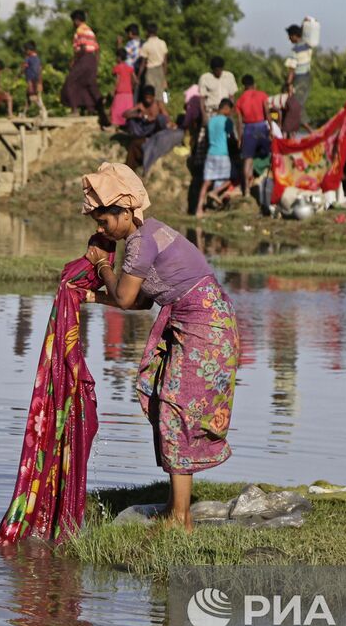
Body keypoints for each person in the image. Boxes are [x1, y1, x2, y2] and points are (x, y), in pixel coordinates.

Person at [80, 162, 240, 531]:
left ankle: (180, 518)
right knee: (172, 406)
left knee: (176, 410)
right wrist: (92, 297)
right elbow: (137, 300)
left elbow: (123, 297)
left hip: (204, 328)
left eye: (104, 222)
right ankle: (175, 507)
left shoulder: (140, 242)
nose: (101, 229)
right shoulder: (147, 235)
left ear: (124, 211)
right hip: (204, 323)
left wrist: (103, 265)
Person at [61, 9, 106, 124]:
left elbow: (82, 47)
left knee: (71, 81)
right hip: (92, 60)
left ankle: (74, 109)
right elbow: (97, 49)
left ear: (76, 20)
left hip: (83, 58)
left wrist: (74, 60)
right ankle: (93, 108)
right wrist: (95, 64)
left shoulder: (80, 31)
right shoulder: (90, 31)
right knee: (88, 83)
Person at [121, 83, 174, 171]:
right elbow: (125, 114)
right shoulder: (141, 105)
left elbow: (166, 118)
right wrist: (138, 115)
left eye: (150, 98)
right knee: (131, 121)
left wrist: (153, 118)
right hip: (144, 131)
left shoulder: (158, 104)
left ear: (153, 97)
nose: (148, 100)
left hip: (155, 130)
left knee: (160, 119)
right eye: (146, 98)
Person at [198, 98, 237, 216]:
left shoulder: (211, 121)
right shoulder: (227, 121)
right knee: (230, 178)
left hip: (210, 154)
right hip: (222, 154)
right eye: (230, 110)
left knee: (206, 183)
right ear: (226, 108)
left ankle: (198, 210)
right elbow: (231, 137)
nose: (230, 112)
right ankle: (215, 193)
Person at [236, 74, 270, 201]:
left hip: (248, 129)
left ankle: (246, 191)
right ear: (254, 84)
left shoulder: (240, 100)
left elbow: (239, 121)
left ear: (244, 86)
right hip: (261, 127)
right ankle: (263, 181)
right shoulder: (262, 95)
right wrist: (271, 128)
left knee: (247, 160)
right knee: (268, 154)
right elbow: (267, 112)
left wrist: (240, 138)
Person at [284, 23, 313, 124]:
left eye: (290, 36)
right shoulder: (308, 45)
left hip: (299, 79)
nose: (289, 39)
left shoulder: (295, 50)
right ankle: (294, 131)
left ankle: (311, 131)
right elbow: (304, 34)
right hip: (308, 78)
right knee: (299, 104)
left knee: (295, 105)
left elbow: (291, 70)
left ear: (294, 36)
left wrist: (288, 84)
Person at [141, 22, 168, 103]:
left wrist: (138, 76)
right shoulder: (162, 43)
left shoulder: (146, 45)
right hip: (160, 70)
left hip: (150, 71)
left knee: (149, 93)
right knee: (159, 94)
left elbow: (143, 63)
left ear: (148, 32)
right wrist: (164, 76)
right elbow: (165, 62)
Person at [110, 48, 135, 128]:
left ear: (119, 58)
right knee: (127, 108)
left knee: (116, 109)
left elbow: (117, 79)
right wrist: (132, 87)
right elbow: (135, 79)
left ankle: (114, 124)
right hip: (129, 92)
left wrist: (114, 90)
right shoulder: (130, 68)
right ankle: (126, 125)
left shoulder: (117, 67)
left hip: (120, 91)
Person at [21, 40, 46, 119]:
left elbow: (24, 67)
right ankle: (24, 113)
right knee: (29, 98)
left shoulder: (28, 59)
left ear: (28, 50)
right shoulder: (37, 59)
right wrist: (40, 82)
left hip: (31, 81)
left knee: (33, 97)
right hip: (36, 80)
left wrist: (18, 74)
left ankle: (43, 110)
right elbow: (40, 70)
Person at [121, 23, 142, 91]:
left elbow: (122, 55)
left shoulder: (130, 43)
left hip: (130, 72)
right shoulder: (141, 43)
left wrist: (119, 44)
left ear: (130, 33)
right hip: (138, 70)